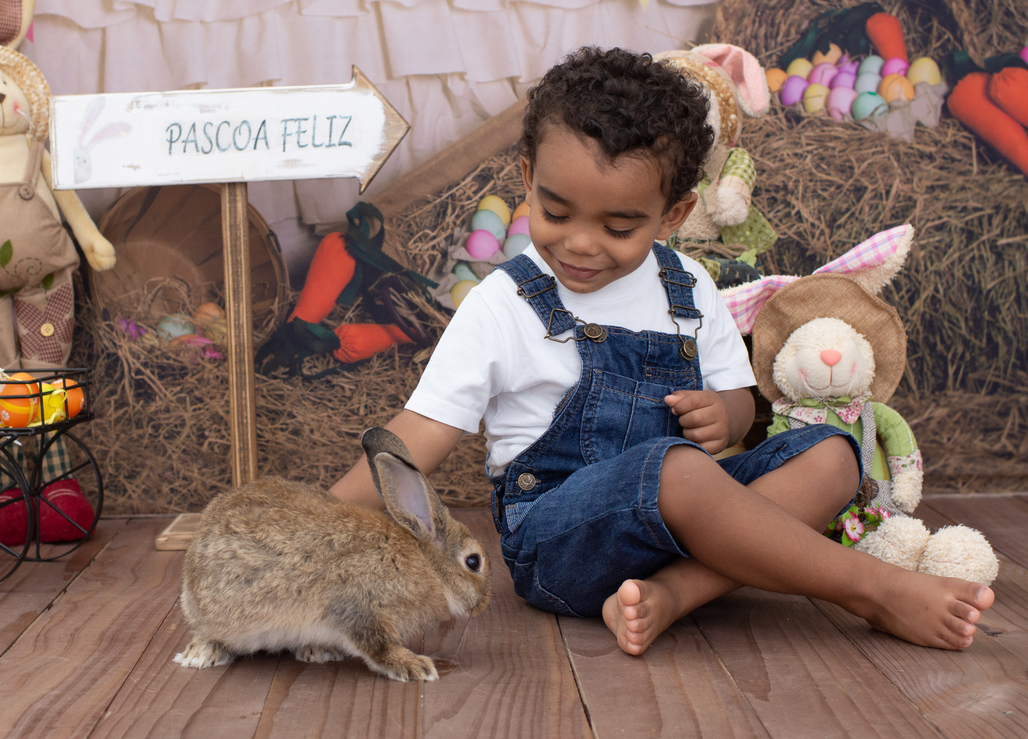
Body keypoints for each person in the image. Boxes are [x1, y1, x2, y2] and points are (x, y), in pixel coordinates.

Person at [329, 47, 993, 655]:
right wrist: (314, 527)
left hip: (685, 523)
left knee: (832, 454)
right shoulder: (502, 304)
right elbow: (416, 435)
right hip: (562, 542)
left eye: (619, 227)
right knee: (671, 469)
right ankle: (870, 588)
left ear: (673, 215)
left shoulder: (687, 284)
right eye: (556, 214)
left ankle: (678, 592)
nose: (582, 244)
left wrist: (731, 416)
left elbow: (738, 397)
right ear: (528, 179)